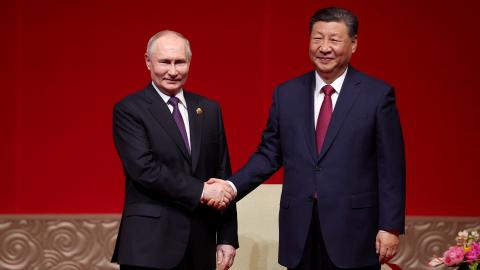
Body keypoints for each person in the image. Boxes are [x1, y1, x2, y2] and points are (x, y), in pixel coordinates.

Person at [207, 7, 406, 270]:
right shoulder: (287, 94)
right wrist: (231, 187)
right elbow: (269, 154)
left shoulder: (377, 96)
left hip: (354, 232)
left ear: (354, 43)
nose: (324, 47)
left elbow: (392, 167)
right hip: (299, 231)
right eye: (317, 38)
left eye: (334, 40)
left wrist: (390, 226)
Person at [111, 30, 238, 270]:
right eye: (164, 62)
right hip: (149, 245)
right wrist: (201, 190)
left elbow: (222, 173)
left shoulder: (209, 109)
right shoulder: (130, 109)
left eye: (179, 62)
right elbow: (144, 170)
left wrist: (227, 237)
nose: (172, 71)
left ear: (189, 62)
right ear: (148, 62)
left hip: (200, 241)